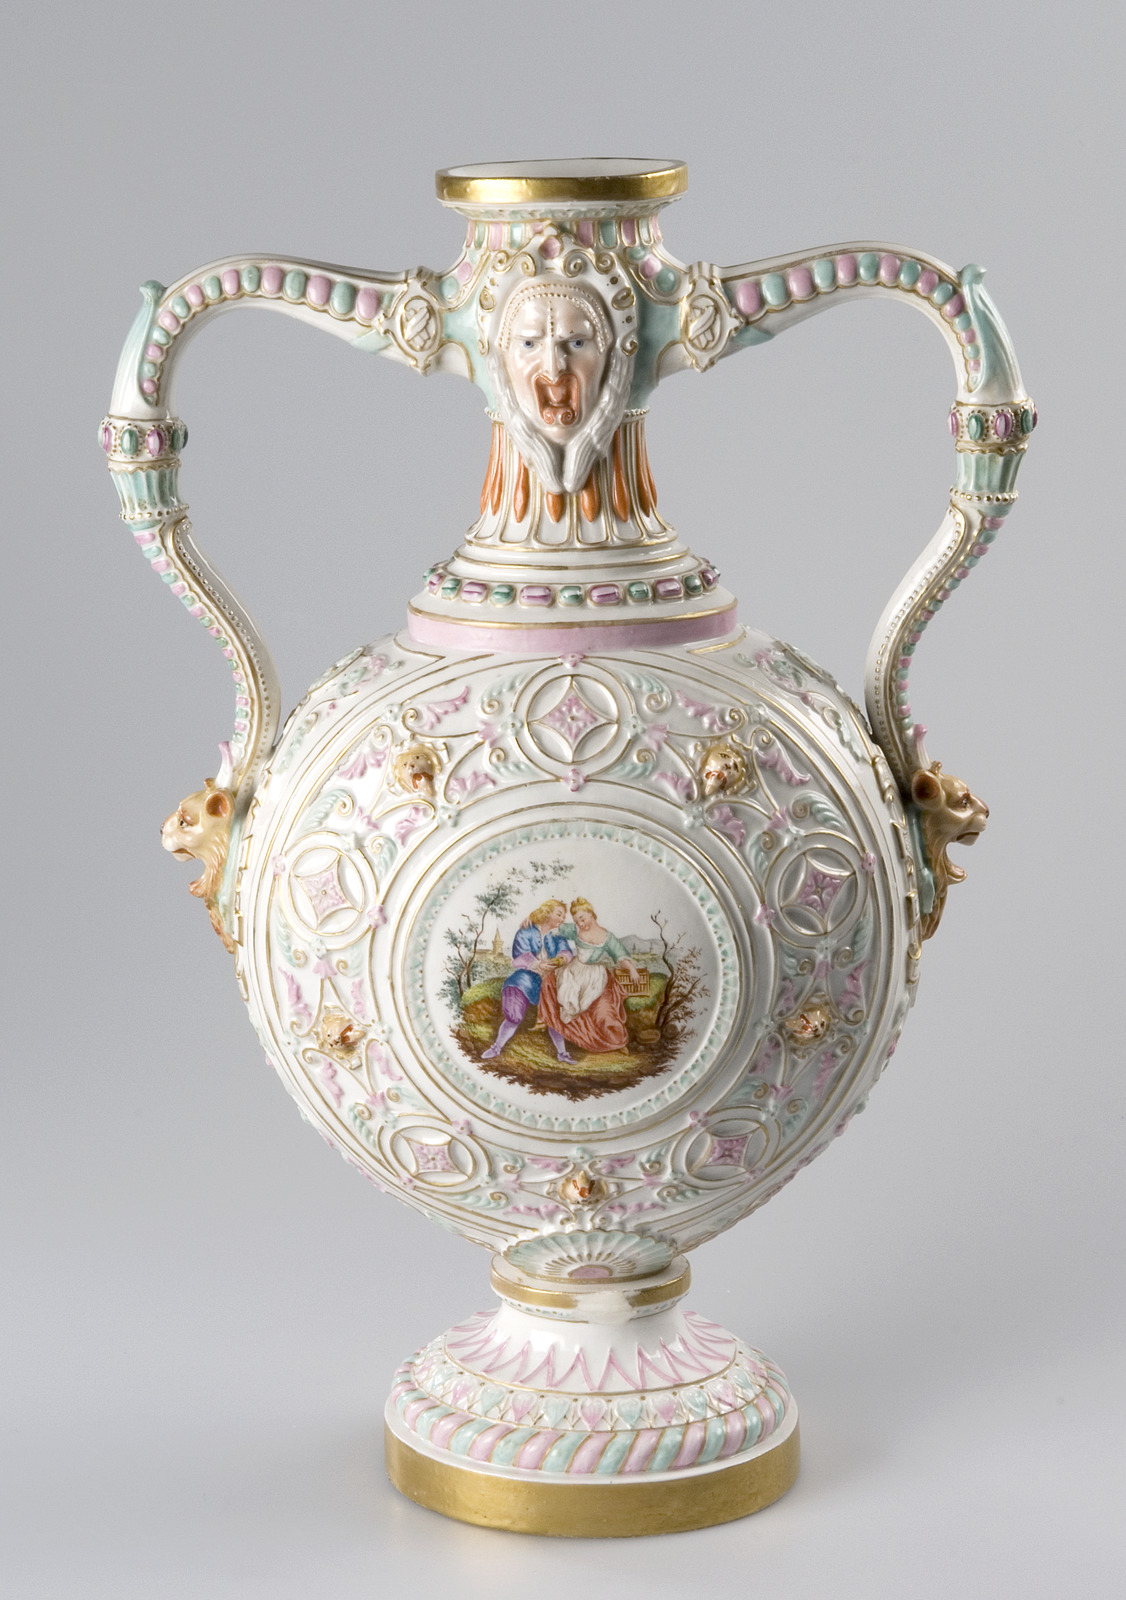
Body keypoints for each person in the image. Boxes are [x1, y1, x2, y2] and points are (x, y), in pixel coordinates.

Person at [536, 899, 643, 1055]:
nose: (581, 924)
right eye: (577, 921)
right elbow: (554, 927)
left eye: (583, 919)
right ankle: (547, 1022)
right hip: (574, 971)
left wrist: (632, 969)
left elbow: (620, 954)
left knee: (604, 1012)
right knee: (549, 983)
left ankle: (615, 1042)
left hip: (595, 976)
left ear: (591, 914)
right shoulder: (575, 930)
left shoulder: (607, 937)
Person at [481, 900, 576, 1062]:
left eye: (563, 916)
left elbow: (566, 951)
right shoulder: (526, 932)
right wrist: (538, 964)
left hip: (549, 980)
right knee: (514, 1015)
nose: (562, 919)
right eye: (559, 914)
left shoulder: (557, 935)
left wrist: (561, 958)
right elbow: (519, 956)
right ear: (547, 913)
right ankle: (496, 1047)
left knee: (554, 1016)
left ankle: (562, 1053)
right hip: (525, 978)